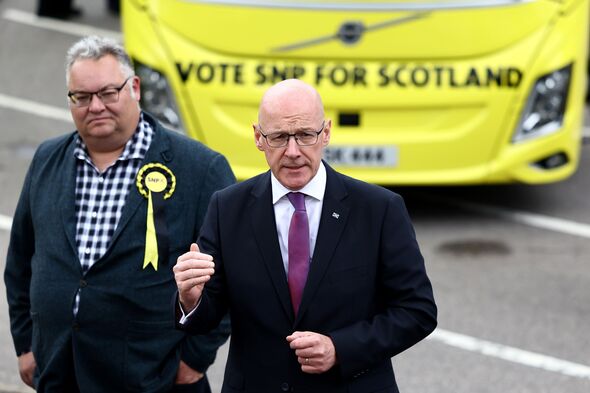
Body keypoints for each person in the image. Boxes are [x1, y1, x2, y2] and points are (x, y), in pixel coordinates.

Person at [173, 79, 437, 392]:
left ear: (325, 133)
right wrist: (190, 298)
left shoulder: (379, 210)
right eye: (280, 137)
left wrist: (340, 348)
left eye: (305, 135)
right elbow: (208, 315)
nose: (293, 151)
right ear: (259, 137)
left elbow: (417, 311)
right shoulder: (227, 208)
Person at [4, 35, 234, 392]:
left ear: (135, 88)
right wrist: (26, 346)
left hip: (154, 379)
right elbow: (19, 263)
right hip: (60, 371)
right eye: (81, 97)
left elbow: (232, 273)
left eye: (108, 93)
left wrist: (195, 358)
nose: (95, 106)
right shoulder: (48, 159)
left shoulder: (200, 169)